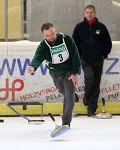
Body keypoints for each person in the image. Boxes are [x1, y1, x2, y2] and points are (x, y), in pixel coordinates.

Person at [27, 23, 80, 127]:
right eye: (47, 36)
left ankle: (66, 122)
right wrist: (33, 67)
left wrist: (74, 73)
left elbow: (75, 55)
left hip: (68, 71)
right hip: (55, 73)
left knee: (68, 95)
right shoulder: (43, 46)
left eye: (52, 34)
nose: (51, 37)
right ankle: (73, 96)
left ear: (55, 30)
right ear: (43, 36)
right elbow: (37, 57)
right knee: (63, 91)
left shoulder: (67, 39)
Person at [72, 5, 112, 117]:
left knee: (96, 84)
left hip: (99, 60)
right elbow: (73, 44)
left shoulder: (101, 27)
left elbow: (108, 43)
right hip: (85, 59)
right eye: (87, 12)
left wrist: (104, 55)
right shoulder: (79, 27)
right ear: (84, 13)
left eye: (91, 12)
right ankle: (86, 98)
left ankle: (91, 109)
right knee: (89, 77)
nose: (89, 14)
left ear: (95, 13)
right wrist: (79, 56)